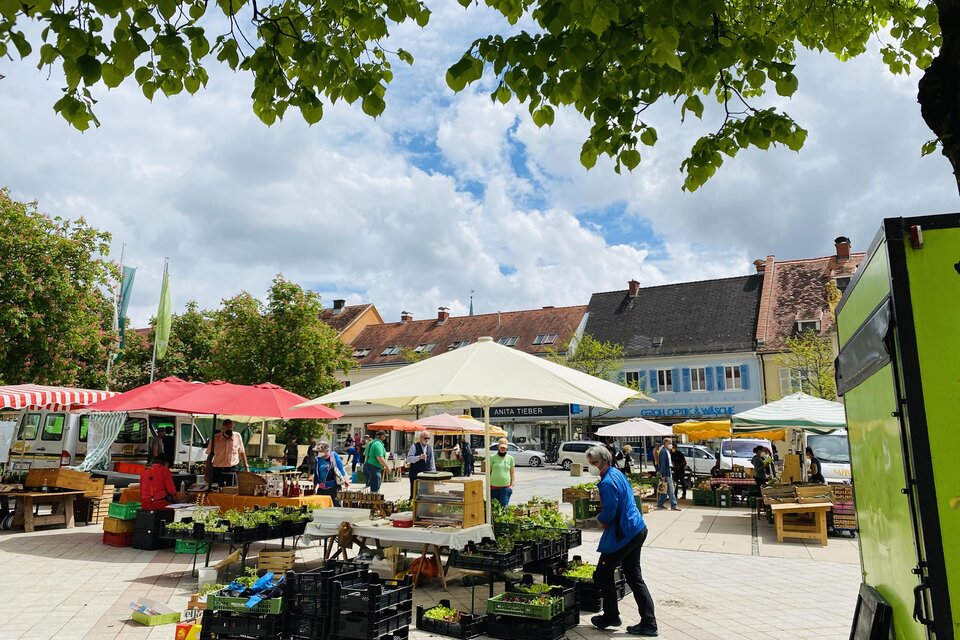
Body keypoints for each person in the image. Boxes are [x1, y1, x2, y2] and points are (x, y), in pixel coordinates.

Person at [586, 445, 658, 636]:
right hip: (636, 528)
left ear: (603, 461)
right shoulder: (616, 473)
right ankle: (649, 623)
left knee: (603, 572)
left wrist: (598, 519)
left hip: (624, 533)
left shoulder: (607, 482)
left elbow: (609, 514)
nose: (591, 466)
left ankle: (611, 615)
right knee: (634, 577)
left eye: (593, 463)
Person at [205, 419, 249, 487]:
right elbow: (210, 456)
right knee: (216, 491)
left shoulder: (237, 436)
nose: (229, 433)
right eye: (227, 431)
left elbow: (241, 452)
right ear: (222, 429)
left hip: (232, 469)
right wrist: (207, 474)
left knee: (232, 490)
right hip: (218, 469)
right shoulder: (215, 438)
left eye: (230, 430)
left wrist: (246, 468)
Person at [314, 441, 349, 506]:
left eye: (320, 451)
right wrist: (315, 486)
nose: (319, 453)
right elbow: (316, 473)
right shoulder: (317, 459)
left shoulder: (333, 456)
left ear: (326, 451)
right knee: (319, 506)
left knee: (336, 505)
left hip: (334, 487)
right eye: (318, 451)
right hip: (322, 488)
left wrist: (346, 480)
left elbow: (341, 468)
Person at [406, 431, 437, 498]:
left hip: (427, 474)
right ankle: (413, 505)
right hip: (415, 474)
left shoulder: (430, 447)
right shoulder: (414, 446)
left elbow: (432, 461)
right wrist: (419, 457)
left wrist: (434, 472)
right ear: (420, 438)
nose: (427, 440)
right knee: (415, 492)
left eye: (428, 438)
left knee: (426, 492)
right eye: (425, 438)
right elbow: (408, 459)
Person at [655, 437, 680, 511]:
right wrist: (663, 475)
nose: (671, 445)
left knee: (664, 489)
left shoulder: (666, 450)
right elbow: (662, 464)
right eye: (670, 443)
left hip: (668, 471)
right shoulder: (663, 451)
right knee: (671, 490)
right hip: (666, 473)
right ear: (665, 443)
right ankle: (674, 505)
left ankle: (660, 504)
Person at [490, 437, 516, 507]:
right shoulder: (492, 457)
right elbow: (489, 471)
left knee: (504, 507)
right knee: (494, 508)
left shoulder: (510, 458)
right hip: (494, 487)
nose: (502, 449)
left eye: (504, 448)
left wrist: (512, 485)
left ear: (506, 447)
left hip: (505, 487)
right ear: (498, 447)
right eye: (501, 447)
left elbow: (512, 473)